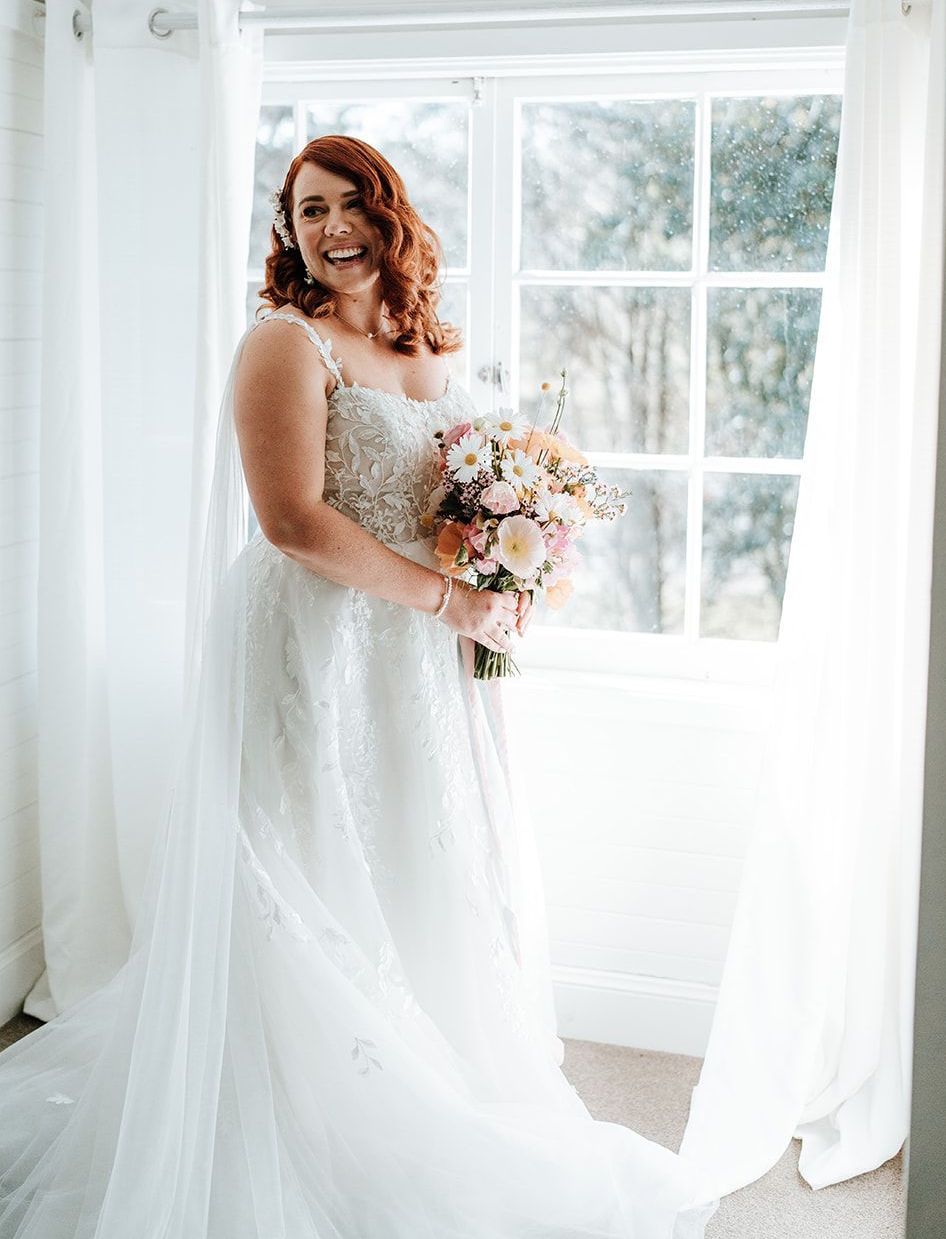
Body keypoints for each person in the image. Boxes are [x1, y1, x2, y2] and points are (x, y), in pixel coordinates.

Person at [0, 135, 721, 1236]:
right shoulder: (282, 344)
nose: (329, 228)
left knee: (418, 860)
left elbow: (464, 500)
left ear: (391, 216)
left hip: (419, 664)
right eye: (306, 212)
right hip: (315, 645)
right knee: (308, 864)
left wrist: (509, 564)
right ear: (286, 233)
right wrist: (448, 601)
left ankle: (438, 1079)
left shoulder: (424, 340)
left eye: (349, 205)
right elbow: (291, 522)